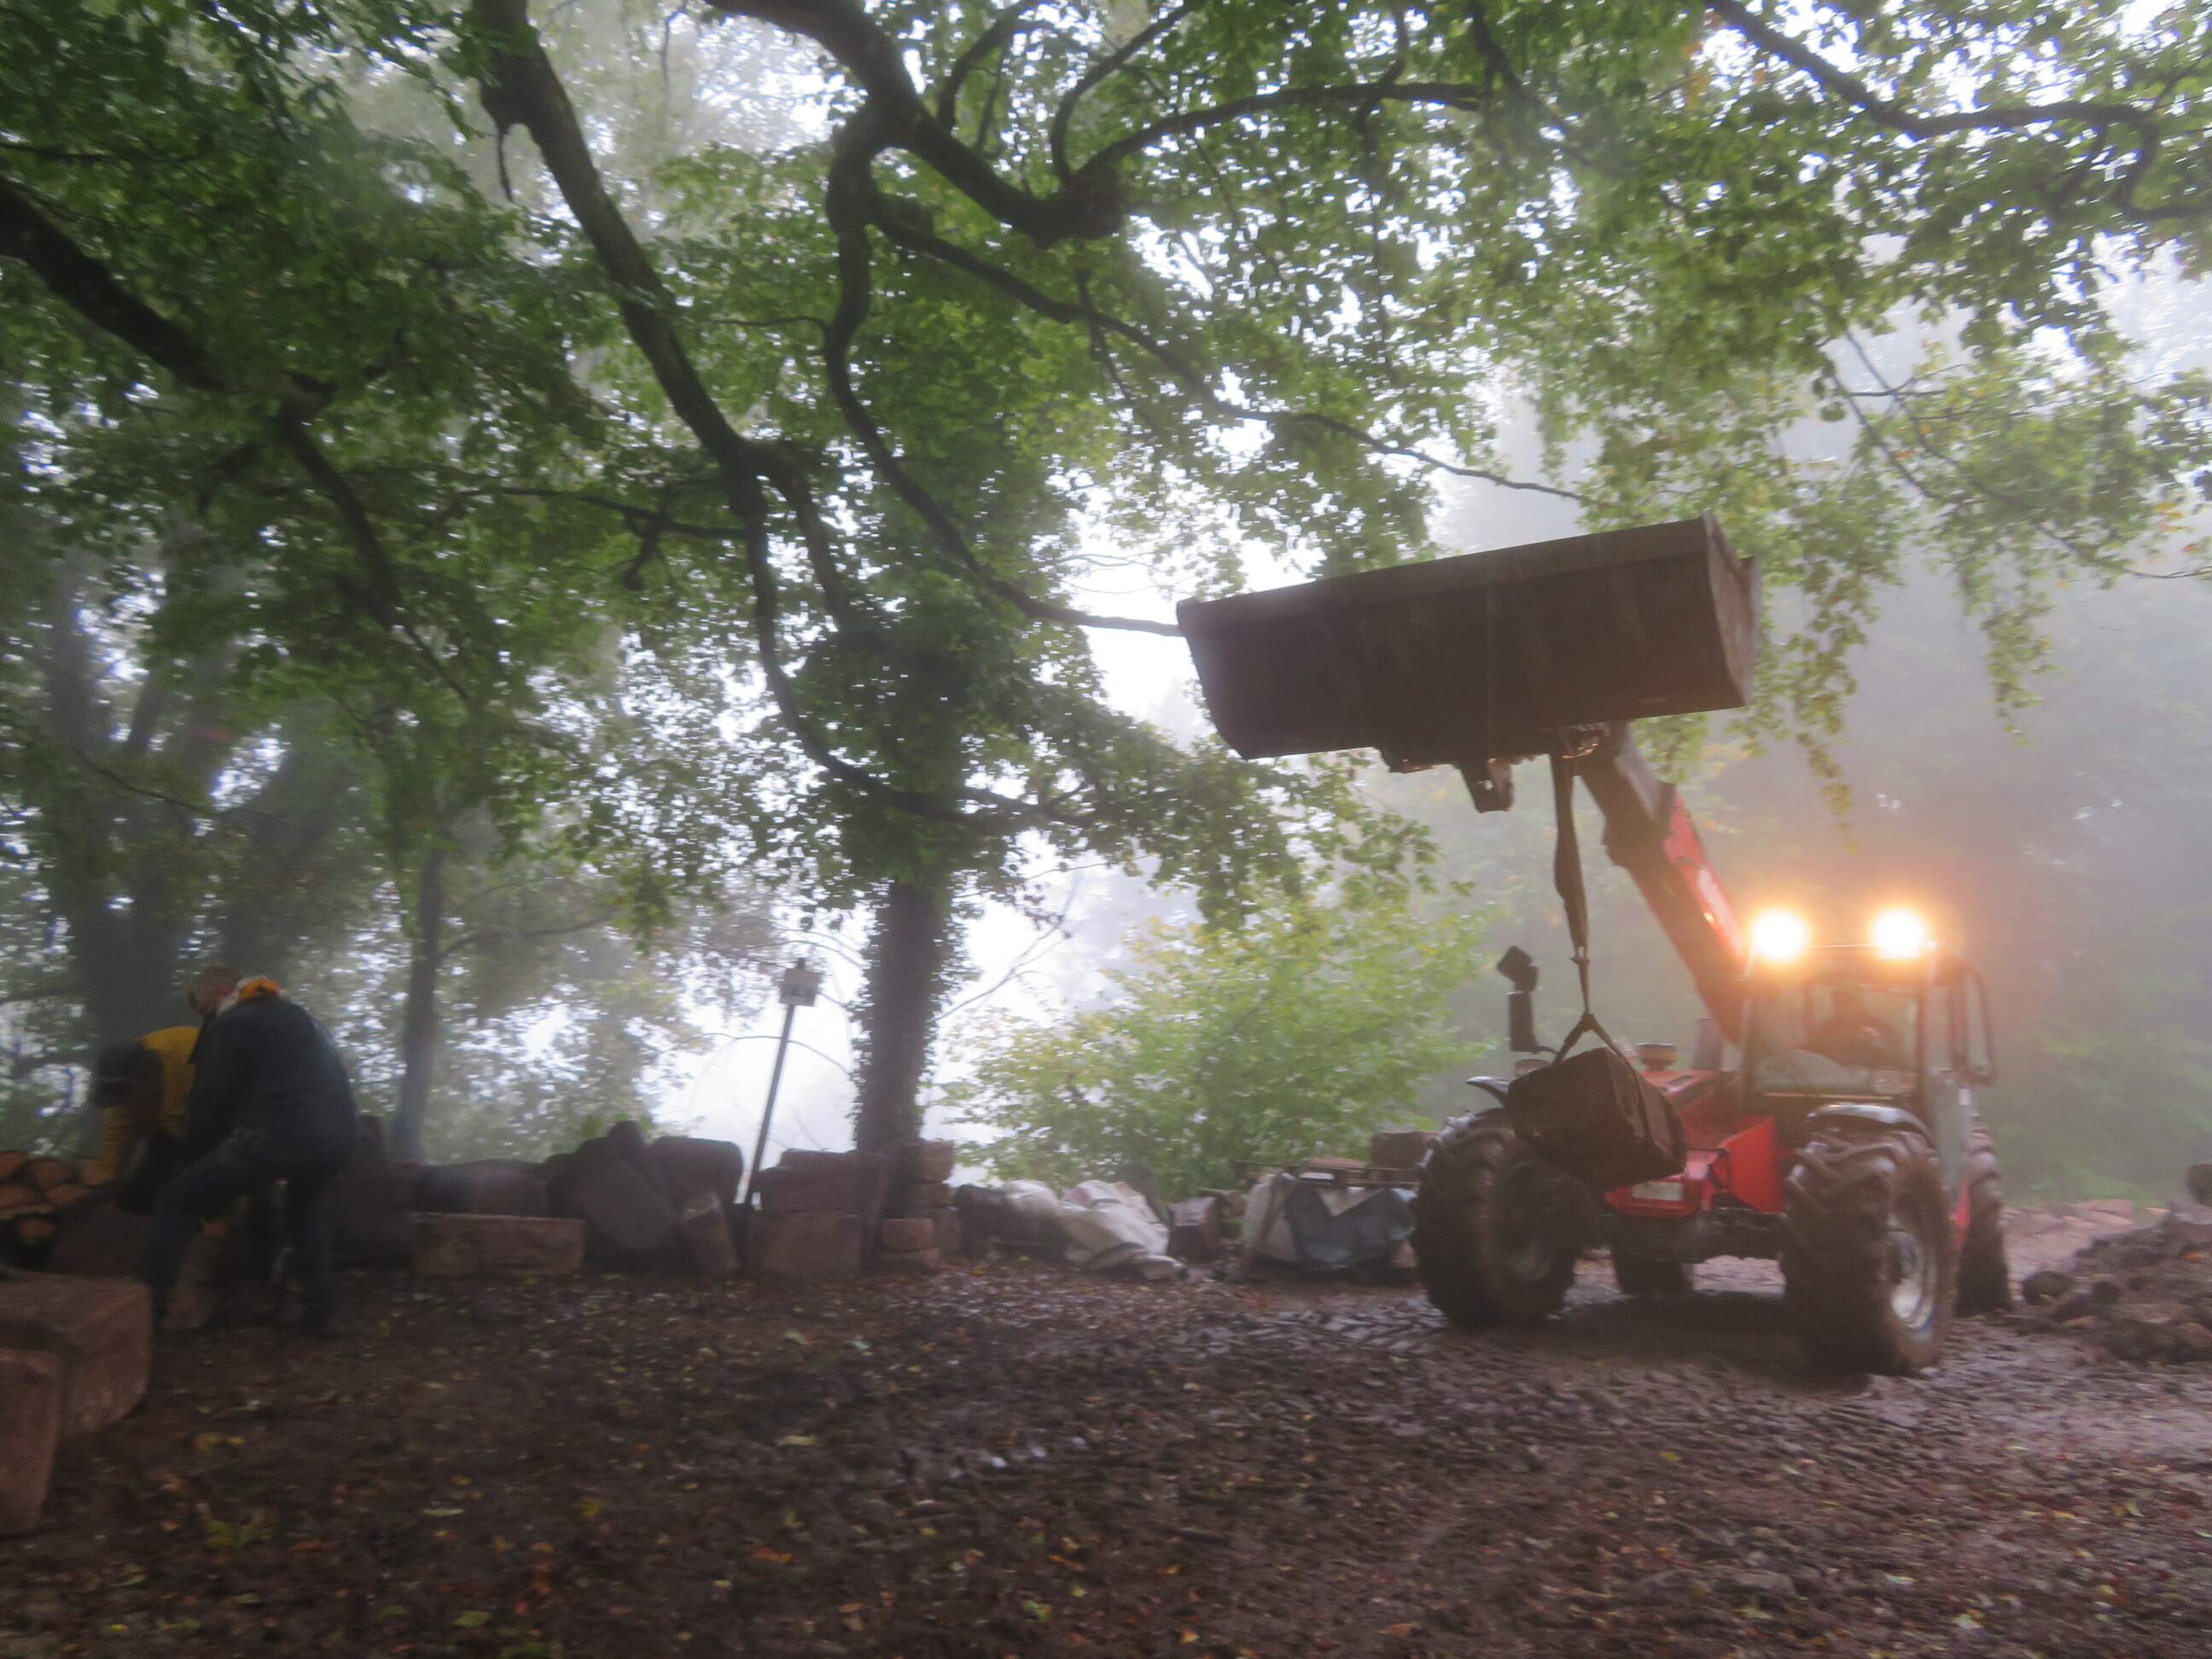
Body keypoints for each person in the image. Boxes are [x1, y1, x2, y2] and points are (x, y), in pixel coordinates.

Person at [138, 974, 358, 1335]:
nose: (206, 1023)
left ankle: (146, 1315)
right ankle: (320, 1313)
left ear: (224, 994)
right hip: (338, 1135)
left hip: (279, 1133)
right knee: (304, 1207)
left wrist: (191, 1166)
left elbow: (212, 1103)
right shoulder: (300, 1017)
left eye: (205, 1012)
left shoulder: (233, 1022)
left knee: (176, 1198)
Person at [1804, 986, 1908, 1072]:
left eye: (1846, 1000)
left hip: (1870, 1085)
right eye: (1838, 1001)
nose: (1841, 1005)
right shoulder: (1825, 1029)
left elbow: (1900, 1060)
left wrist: (1878, 1044)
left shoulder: (1880, 1027)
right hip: (1830, 1083)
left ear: (1858, 1002)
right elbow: (1810, 1057)